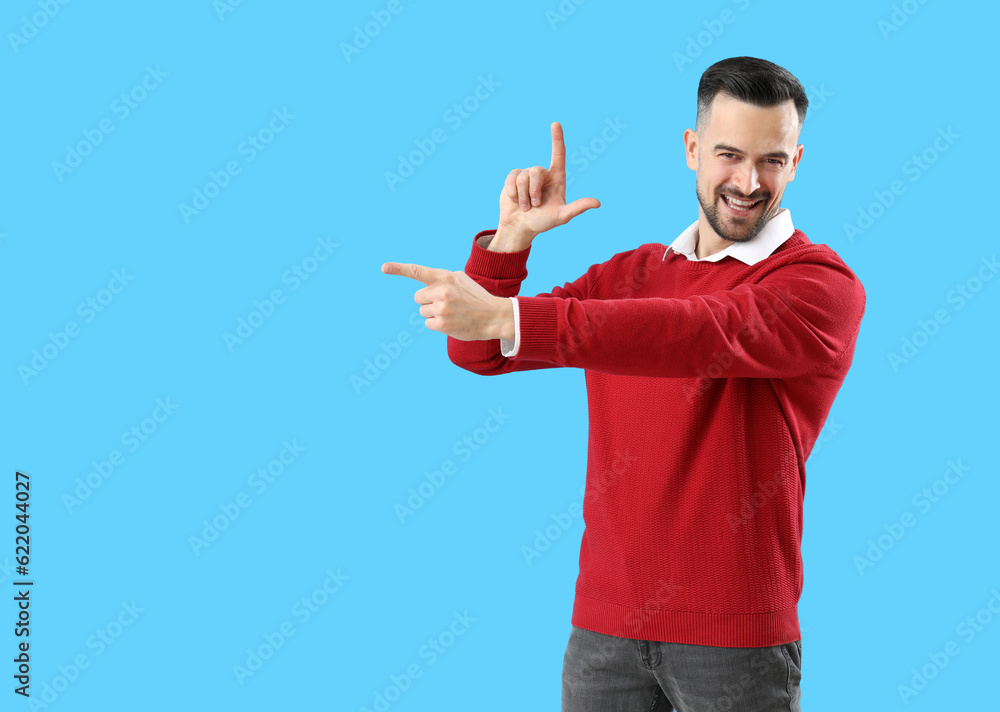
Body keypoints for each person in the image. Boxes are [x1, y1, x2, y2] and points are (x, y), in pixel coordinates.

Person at [382, 56, 866, 712]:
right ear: (692, 150)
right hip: (603, 633)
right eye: (729, 155)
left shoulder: (819, 286)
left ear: (797, 162)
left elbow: (699, 331)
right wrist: (507, 244)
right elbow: (481, 354)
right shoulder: (630, 275)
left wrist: (514, 314)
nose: (749, 182)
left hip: (735, 643)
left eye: (772, 161)